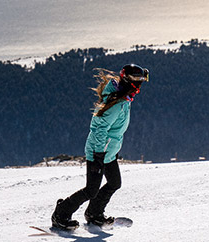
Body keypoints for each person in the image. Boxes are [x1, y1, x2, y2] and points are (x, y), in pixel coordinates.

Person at [51, 63, 149, 229]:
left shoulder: (124, 99)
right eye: (138, 79)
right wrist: (98, 154)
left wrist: (111, 151)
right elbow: (99, 129)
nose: (140, 83)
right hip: (98, 152)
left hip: (108, 152)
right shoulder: (117, 103)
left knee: (114, 183)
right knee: (91, 190)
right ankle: (61, 213)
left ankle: (94, 213)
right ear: (130, 81)